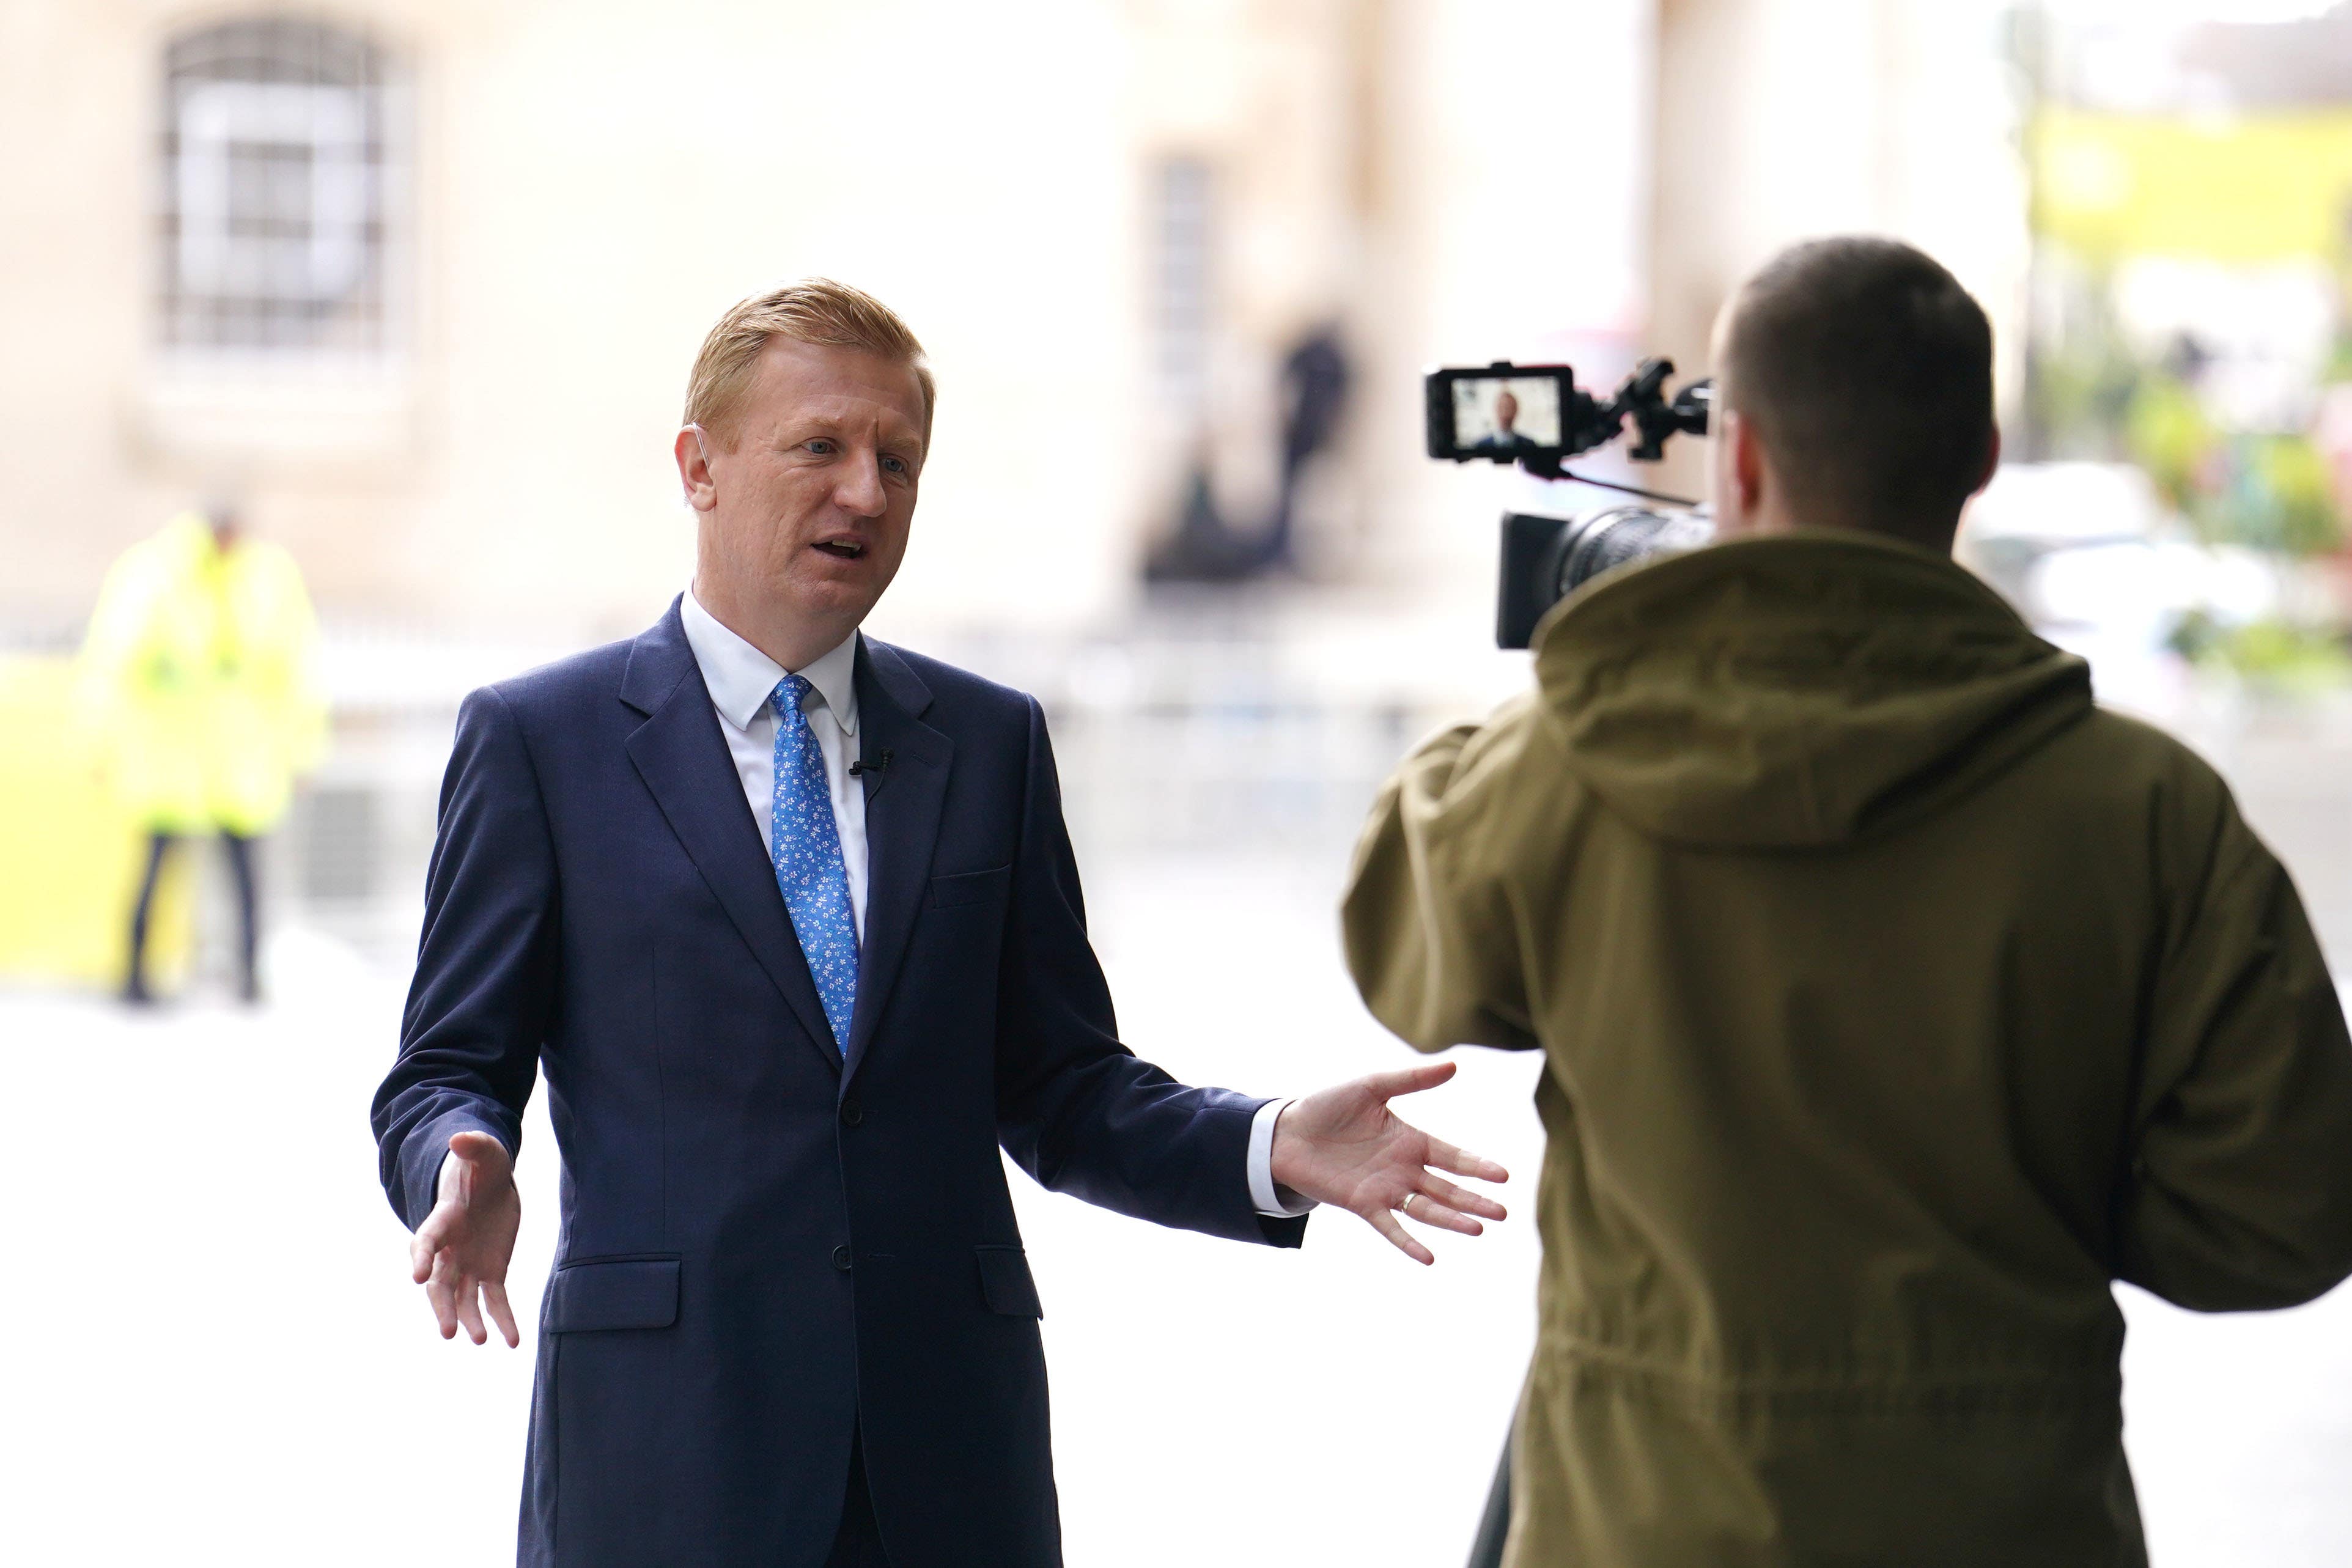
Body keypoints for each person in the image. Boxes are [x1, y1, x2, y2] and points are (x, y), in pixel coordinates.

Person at [370, 279, 1509, 1568]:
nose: (865, 491)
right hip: (668, 1450)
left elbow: (1061, 1085)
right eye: (822, 448)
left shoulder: (990, 743)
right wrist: (463, 1153)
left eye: (897, 459)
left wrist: (1266, 1143)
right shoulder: (542, 742)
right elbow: (444, 1065)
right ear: (699, 466)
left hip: (950, 1464)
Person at [1343, 237, 2352, 1568]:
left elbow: (1401, 948)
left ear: (1740, 457)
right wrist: (2031, 1204)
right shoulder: (2148, 810)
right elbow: (2289, 1210)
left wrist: (1595, 655)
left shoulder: (1567, 766)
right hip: (2009, 1520)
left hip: (1637, 1523)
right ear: (1981, 459)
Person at [78, 502, 323, 1004]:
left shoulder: (267, 578)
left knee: (245, 875)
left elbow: (298, 668)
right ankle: (135, 977)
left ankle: (249, 977)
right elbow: (112, 662)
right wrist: (99, 742)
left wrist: (302, 747)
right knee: (157, 867)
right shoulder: (154, 574)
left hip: (238, 758)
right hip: (171, 757)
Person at [1468, 387, 1536, 455]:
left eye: (1510, 408)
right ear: (1496, 410)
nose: (1505, 413)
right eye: (1502, 408)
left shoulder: (1529, 445)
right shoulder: (1480, 446)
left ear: (1516, 411)